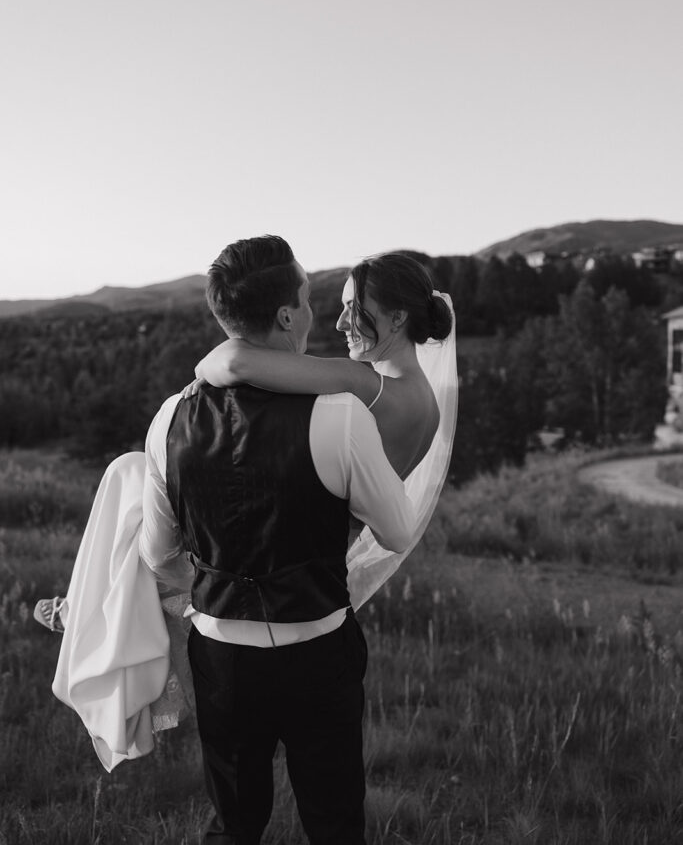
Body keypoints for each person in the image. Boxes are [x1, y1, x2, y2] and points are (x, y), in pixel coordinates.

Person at [140, 234, 417, 845]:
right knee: (335, 822)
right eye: (308, 298)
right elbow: (396, 530)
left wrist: (213, 586)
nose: (316, 311)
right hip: (318, 654)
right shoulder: (340, 415)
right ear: (289, 315)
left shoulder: (168, 418)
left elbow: (158, 552)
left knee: (233, 823)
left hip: (219, 658)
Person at [185, 250, 457, 609]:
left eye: (354, 309)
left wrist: (202, 371)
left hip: (280, 567)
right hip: (327, 570)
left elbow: (235, 361)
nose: (341, 324)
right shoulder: (429, 405)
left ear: (397, 318)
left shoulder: (364, 384)